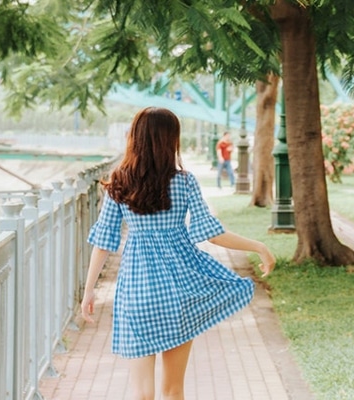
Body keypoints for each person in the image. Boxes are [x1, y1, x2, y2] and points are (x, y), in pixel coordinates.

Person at [81, 107, 275, 400]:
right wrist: (258, 246)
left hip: (138, 291)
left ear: (136, 138)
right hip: (180, 291)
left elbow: (104, 241)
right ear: (171, 140)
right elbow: (211, 232)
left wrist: (89, 291)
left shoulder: (120, 180)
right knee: (173, 390)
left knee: (142, 394)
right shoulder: (184, 182)